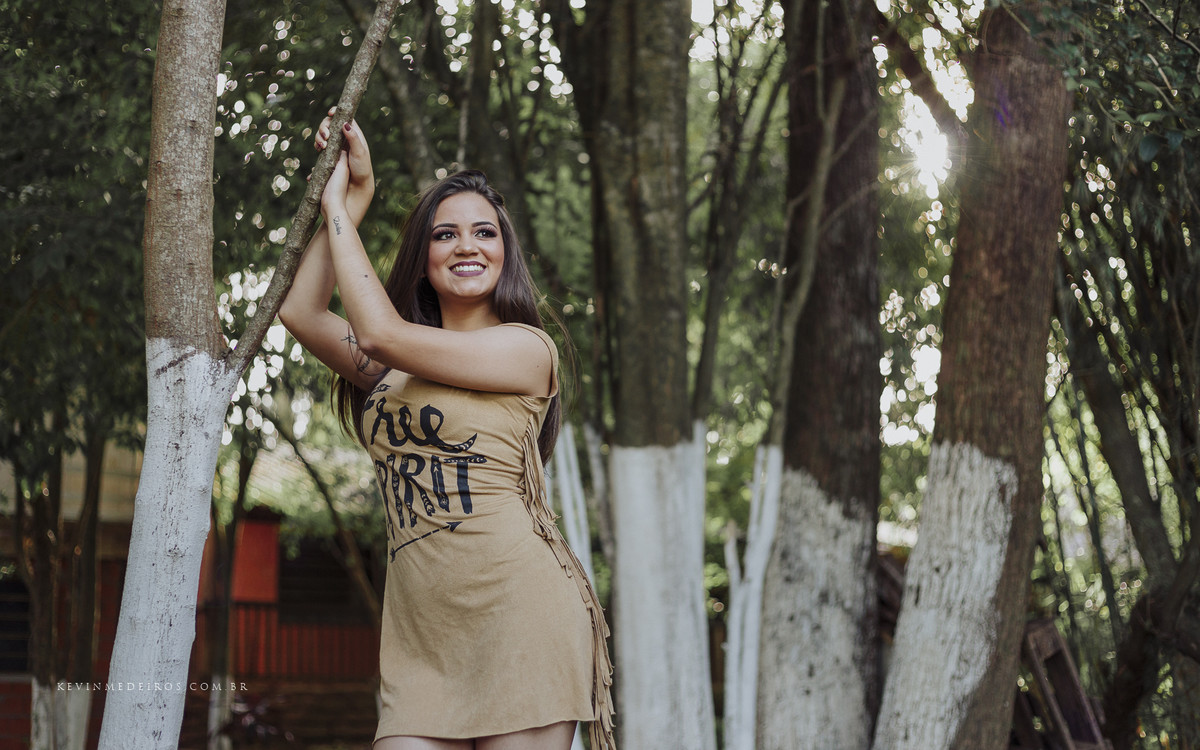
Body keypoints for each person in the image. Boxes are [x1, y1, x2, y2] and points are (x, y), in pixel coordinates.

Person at [278, 112, 615, 750]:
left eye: (485, 232)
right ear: (424, 256)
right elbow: (300, 310)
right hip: (420, 640)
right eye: (446, 234)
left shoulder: (525, 349)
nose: (467, 246)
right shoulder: (386, 369)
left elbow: (378, 331)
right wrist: (351, 198)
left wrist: (338, 210)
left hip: (521, 616)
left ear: (505, 253)